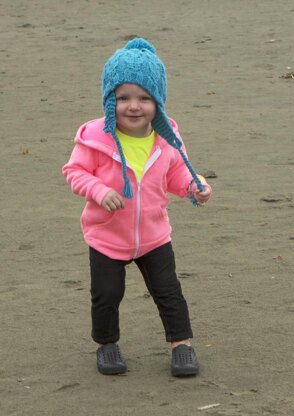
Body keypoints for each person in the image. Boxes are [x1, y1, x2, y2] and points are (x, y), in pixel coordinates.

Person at [62, 38, 212, 377]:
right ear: (109, 100)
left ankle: (181, 345)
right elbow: (74, 171)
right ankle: (107, 343)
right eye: (123, 97)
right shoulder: (94, 138)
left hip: (154, 235)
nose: (134, 106)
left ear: (158, 101)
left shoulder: (167, 137)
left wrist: (194, 186)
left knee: (169, 291)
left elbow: (176, 174)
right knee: (106, 295)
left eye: (145, 98)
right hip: (106, 236)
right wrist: (98, 190)